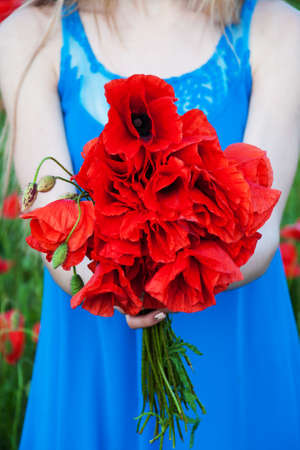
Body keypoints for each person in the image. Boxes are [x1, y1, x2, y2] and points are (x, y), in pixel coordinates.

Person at [0, 0, 300, 448]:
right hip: (95, 358)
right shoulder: (30, 34)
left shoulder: (279, 29)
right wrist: (123, 284)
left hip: (234, 356)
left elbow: (258, 227)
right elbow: (58, 231)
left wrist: (157, 276)